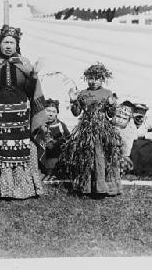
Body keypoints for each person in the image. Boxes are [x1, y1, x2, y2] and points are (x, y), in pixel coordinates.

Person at [0, 24, 46, 199]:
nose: (8, 45)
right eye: (5, 42)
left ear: (17, 44)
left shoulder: (24, 62)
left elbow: (29, 90)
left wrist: (34, 77)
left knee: (19, 148)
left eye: (12, 42)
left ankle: (22, 186)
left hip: (19, 112)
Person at [58, 62, 122, 197]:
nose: (93, 81)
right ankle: (87, 187)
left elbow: (111, 115)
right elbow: (76, 113)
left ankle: (103, 188)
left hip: (103, 129)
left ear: (103, 79)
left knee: (102, 156)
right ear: (87, 78)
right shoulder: (83, 94)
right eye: (91, 78)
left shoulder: (107, 93)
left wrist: (111, 105)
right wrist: (73, 100)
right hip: (87, 130)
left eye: (97, 78)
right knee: (87, 157)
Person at [40, 99, 70, 180]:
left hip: (57, 155)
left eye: (53, 111)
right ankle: (45, 172)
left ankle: (53, 173)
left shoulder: (61, 125)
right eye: (48, 111)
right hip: (44, 155)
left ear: (57, 113)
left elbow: (68, 138)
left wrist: (55, 142)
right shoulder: (40, 125)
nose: (50, 114)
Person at [112, 101, 137, 176]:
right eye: (118, 117)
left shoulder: (130, 129)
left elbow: (126, 150)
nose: (120, 120)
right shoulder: (110, 126)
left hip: (123, 155)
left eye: (124, 118)